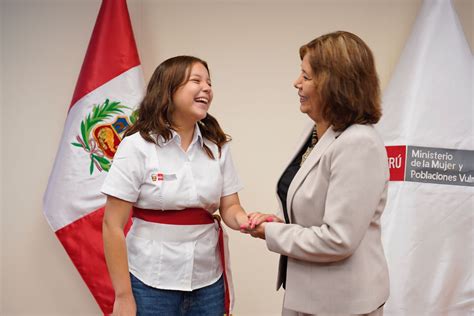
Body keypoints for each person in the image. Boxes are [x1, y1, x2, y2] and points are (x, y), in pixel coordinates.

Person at [241, 31, 390, 316]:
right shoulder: (319, 131)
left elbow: (338, 239)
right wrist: (280, 220)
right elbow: (316, 209)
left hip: (342, 304)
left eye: (306, 77)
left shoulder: (359, 143)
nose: (296, 83)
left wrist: (272, 232)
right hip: (308, 295)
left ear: (335, 84)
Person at [102, 55, 248, 316]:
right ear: (169, 89)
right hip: (148, 282)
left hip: (208, 282)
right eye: (196, 80)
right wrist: (123, 296)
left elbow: (230, 207)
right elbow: (112, 225)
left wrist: (248, 222)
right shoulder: (136, 146)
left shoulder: (217, 146)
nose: (207, 88)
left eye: (209, 82)